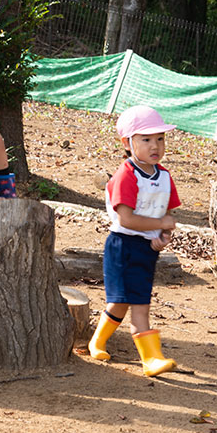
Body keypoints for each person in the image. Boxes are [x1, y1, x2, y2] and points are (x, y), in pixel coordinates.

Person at [87, 105, 180, 377]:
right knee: (139, 304)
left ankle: (97, 341)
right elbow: (126, 219)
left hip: (146, 249)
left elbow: (167, 211)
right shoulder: (126, 175)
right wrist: (160, 225)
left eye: (160, 138)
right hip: (122, 247)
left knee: (121, 302)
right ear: (127, 143)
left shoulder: (164, 176)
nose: (156, 146)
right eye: (146, 139)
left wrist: (163, 236)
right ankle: (151, 359)